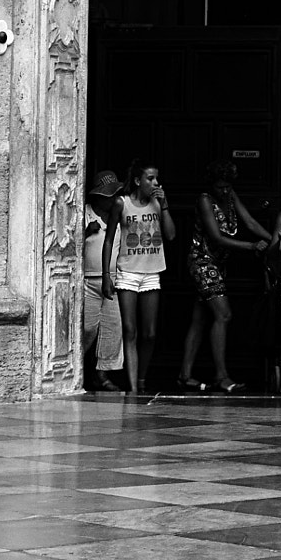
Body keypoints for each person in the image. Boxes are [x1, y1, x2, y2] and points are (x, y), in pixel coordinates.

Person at [180, 158, 271, 393]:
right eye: (220, 187)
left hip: (218, 265)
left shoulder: (230, 195)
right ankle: (221, 376)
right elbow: (216, 237)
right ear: (212, 185)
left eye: (228, 186)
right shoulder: (204, 200)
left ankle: (184, 375)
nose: (225, 190)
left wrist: (274, 241)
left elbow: (249, 221)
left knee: (200, 318)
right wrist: (252, 247)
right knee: (223, 315)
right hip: (202, 262)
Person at [112, 158, 175, 396]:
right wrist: (110, 274)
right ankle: (132, 388)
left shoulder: (157, 205)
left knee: (149, 332)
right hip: (127, 271)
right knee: (130, 330)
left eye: (156, 178)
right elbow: (110, 239)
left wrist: (165, 205)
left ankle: (141, 378)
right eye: (150, 178)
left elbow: (170, 235)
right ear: (138, 181)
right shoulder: (123, 203)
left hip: (151, 273)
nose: (155, 182)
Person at [83, 168, 125, 392]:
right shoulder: (84, 214)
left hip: (114, 281)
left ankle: (103, 375)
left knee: (112, 329)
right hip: (88, 281)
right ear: (99, 197)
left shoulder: (119, 216)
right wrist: (86, 232)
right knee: (87, 328)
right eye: (110, 195)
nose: (114, 199)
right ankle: (77, 368)